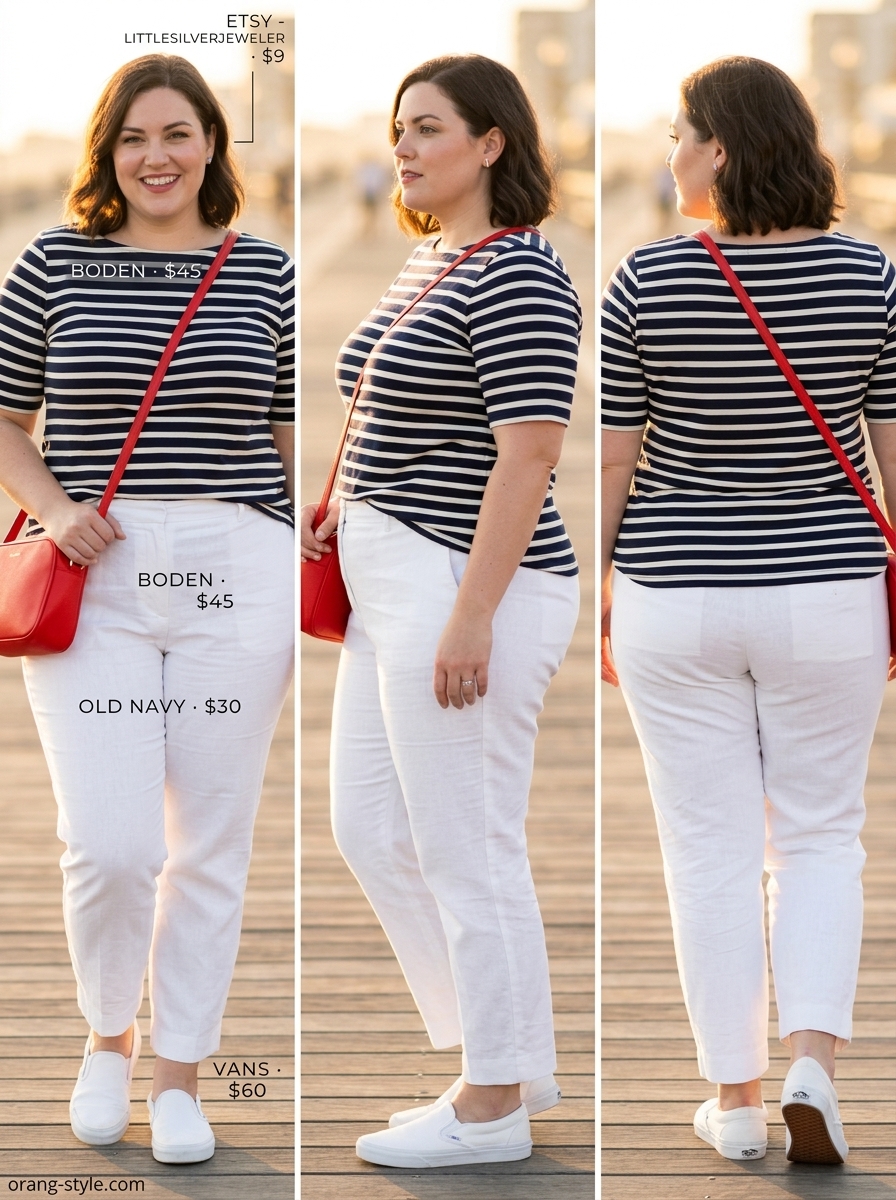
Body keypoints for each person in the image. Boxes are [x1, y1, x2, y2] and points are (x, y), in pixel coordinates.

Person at [602, 56, 896, 1165]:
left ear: (720, 148)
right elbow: (889, 459)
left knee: (707, 848)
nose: (668, 156)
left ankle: (730, 1102)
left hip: (675, 594)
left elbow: (616, 464)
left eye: (681, 135)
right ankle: (809, 1061)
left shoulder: (644, 280)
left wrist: (605, 608)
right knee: (820, 836)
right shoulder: (868, 275)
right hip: (826, 591)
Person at [0, 55, 294, 1164]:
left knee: (209, 843)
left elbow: (275, 434)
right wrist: (55, 507)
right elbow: (4, 416)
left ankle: (181, 1075)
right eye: (133, 137)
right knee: (113, 843)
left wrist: (304, 528)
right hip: (98, 568)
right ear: (106, 152)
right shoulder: (54, 263)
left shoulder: (262, 270)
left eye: (176, 133)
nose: (155, 156)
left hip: (235, 564)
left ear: (213, 143)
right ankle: (108, 1040)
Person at [301, 54, 581, 1169]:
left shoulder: (516, 273)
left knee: (467, 844)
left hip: (465, 584)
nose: (403, 148)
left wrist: (472, 616)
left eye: (425, 128)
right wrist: (345, 506)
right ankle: (499, 1046)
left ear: (491, 143)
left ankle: (491, 1104)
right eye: (397, 129)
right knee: (368, 826)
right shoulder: (429, 256)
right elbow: (399, 409)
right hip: (389, 572)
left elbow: (527, 458)